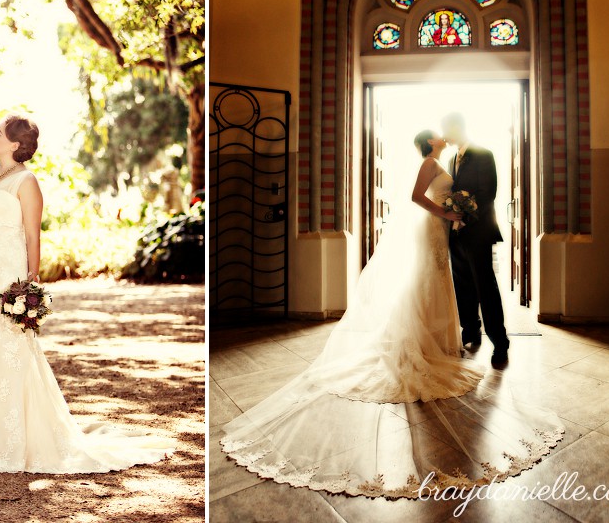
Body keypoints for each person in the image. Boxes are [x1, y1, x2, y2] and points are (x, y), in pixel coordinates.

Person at [219, 130, 563, 498]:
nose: (443, 136)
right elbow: (416, 197)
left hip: (448, 231)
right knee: (430, 282)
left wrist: (456, 213)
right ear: (431, 142)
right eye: (437, 135)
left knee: (443, 284)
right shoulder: (432, 162)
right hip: (435, 227)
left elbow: (467, 192)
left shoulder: (449, 160)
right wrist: (447, 212)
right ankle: (428, 342)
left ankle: (453, 340)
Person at [0, 114, 174, 473]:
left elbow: (32, 235)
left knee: (11, 345)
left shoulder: (27, 181)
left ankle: (11, 441)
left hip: (9, 275)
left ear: (14, 144)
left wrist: (30, 284)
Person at [441, 112, 510, 366]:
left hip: (478, 232)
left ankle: (500, 342)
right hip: (456, 235)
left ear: (458, 128)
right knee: (462, 285)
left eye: (446, 129)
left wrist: (465, 217)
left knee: (485, 287)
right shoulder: (451, 159)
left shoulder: (484, 154)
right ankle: (470, 329)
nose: (444, 136)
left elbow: (487, 192)